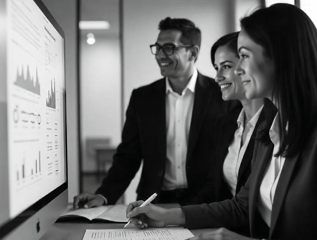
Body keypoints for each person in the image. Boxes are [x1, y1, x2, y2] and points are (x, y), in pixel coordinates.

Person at [126, 4, 317, 240]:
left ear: (280, 54)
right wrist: (165, 216)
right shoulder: (270, 129)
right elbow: (241, 206)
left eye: (243, 56)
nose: (238, 70)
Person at [73, 17, 238, 208]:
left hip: (208, 203)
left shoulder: (222, 95)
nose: (160, 55)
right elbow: (128, 155)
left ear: (192, 52)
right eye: (157, 48)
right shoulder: (142, 98)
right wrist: (103, 195)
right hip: (154, 202)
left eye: (169, 47)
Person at [187, 32, 269, 207]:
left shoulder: (274, 125)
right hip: (227, 225)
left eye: (226, 66)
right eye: (217, 68)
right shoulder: (226, 123)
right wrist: (174, 217)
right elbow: (213, 186)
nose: (217, 77)